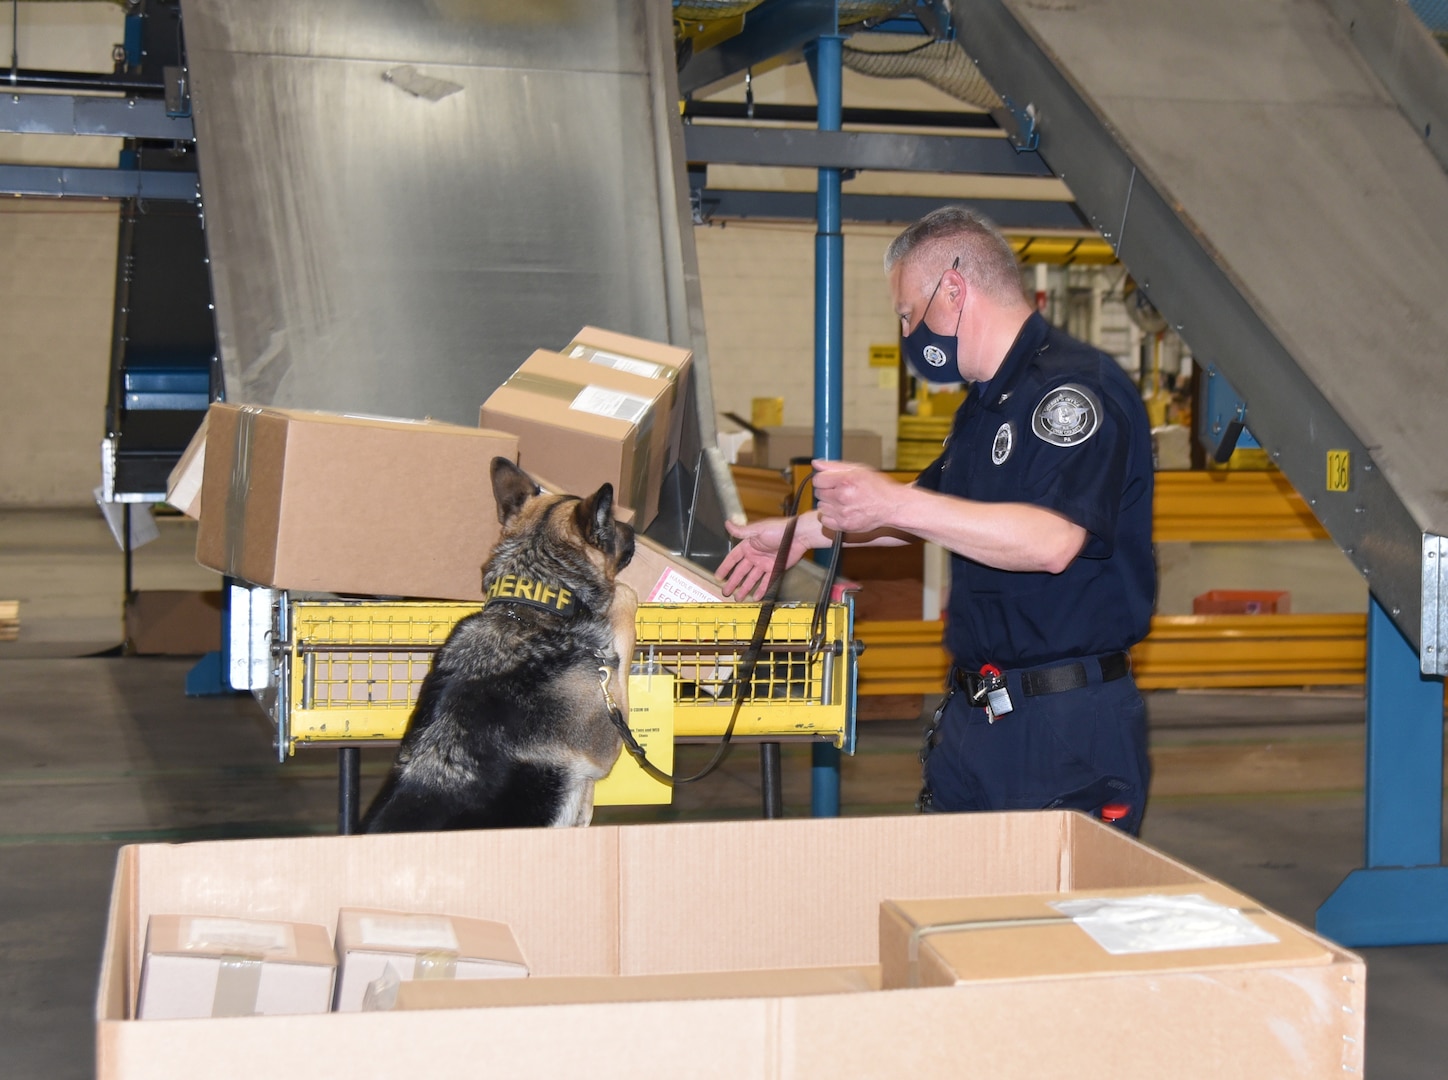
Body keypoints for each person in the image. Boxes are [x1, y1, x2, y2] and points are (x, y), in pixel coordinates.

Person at [717, 207, 1156, 834]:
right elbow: (926, 508)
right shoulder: (986, 405)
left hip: (1062, 729)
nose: (907, 333)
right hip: (983, 720)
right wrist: (799, 534)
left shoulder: (1072, 393)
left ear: (953, 290)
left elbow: (1052, 539)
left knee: (1042, 927)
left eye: (906, 312)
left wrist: (894, 503)